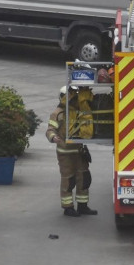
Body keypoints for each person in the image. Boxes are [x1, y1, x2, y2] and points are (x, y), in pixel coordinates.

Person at [46, 85, 98, 217]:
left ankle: (82, 206)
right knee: (68, 180)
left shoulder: (80, 110)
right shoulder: (57, 113)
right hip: (65, 153)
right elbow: (50, 130)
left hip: (79, 151)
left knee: (84, 178)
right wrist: (53, 137)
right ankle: (68, 208)